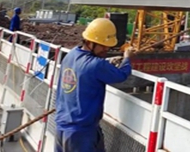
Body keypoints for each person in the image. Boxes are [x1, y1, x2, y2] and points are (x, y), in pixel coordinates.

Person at [54, 18, 136, 152]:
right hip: (82, 131)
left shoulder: (71, 55)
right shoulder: (97, 65)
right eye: (103, 45)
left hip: (62, 125)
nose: (106, 49)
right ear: (91, 42)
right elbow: (121, 76)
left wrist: (108, 63)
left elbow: (87, 70)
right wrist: (127, 58)